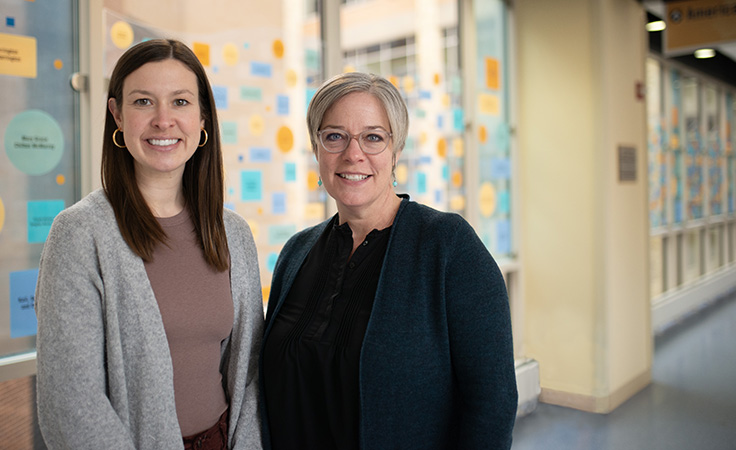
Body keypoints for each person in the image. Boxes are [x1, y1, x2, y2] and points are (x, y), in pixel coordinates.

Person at [260, 72, 518, 449]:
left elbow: (491, 403)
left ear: (396, 152)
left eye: (373, 137)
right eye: (334, 136)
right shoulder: (296, 253)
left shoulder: (447, 247)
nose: (353, 153)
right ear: (316, 149)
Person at [36, 39, 264, 450]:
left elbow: (248, 375)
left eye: (180, 102)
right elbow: (70, 405)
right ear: (117, 116)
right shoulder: (79, 234)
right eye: (143, 102)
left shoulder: (233, 234)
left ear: (203, 117)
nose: (163, 120)